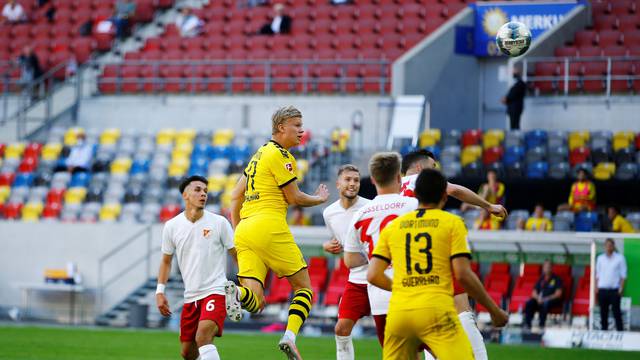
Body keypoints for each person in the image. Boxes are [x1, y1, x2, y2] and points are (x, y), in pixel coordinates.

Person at [367, 169, 509, 360]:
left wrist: (403, 289)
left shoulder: (394, 226)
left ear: (415, 195)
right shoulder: (452, 223)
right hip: (436, 311)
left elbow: (373, 275)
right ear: (444, 196)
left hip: (400, 313)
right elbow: (463, 275)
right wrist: (494, 310)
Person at [229, 105, 329, 360]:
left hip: (244, 229)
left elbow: (234, 196)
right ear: (281, 127)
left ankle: (233, 292)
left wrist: (237, 231)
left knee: (255, 300)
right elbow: (293, 197)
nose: (302, 131)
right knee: (305, 288)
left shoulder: (258, 155)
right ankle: (290, 337)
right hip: (268, 225)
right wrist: (319, 199)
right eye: (297, 125)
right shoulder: (281, 155)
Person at [156, 175, 241, 360]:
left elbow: (236, 255)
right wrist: (160, 291)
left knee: (203, 336)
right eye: (198, 190)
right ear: (185, 195)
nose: (203, 194)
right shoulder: (172, 226)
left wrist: (249, 286)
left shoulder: (219, 223)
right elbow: (166, 261)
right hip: (191, 296)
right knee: (188, 353)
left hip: (216, 290)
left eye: (205, 191)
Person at [343, 152, 421, 350]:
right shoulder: (414, 205)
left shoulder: (360, 214)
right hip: (416, 290)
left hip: (381, 297)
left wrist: (374, 256)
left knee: (396, 354)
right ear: (398, 177)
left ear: (373, 180)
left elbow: (350, 260)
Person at [321, 164, 370, 360]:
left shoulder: (370, 207)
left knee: (396, 331)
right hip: (356, 280)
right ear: (338, 183)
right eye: (348, 179)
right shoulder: (329, 213)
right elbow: (338, 243)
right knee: (341, 329)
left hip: (380, 278)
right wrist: (327, 246)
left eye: (356, 180)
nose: (352, 184)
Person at [596, 238, 627, 331]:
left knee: (616, 312)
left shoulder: (620, 258)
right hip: (602, 289)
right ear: (604, 247)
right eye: (607, 245)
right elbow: (597, 274)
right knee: (603, 313)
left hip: (614, 290)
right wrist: (596, 288)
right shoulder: (600, 258)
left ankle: (621, 333)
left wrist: (621, 289)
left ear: (614, 246)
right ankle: (604, 333)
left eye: (610, 245)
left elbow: (623, 275)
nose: (608, 247)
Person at [522, 260, 562, 331]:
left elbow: (558, 294)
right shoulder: (541, 279)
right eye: (545, 267)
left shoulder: (557, 279)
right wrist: (538, 299)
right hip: (539, 300)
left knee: (545, 304)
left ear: (552, 268)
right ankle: (527, 325)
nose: (546, 269)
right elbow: (534, 292)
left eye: (548, 267)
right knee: (530, 303)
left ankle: (541, 326)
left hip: (551, 301)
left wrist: (545, 299)